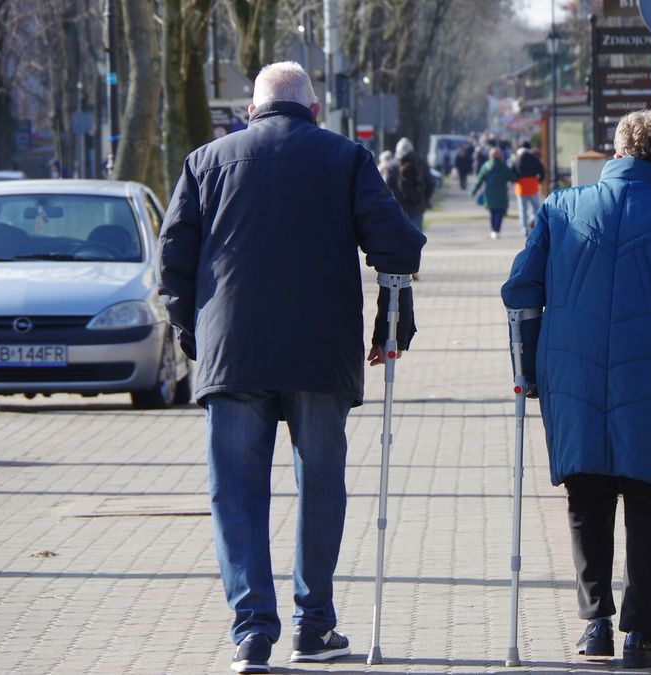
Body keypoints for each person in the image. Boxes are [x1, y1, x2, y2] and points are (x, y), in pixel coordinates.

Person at [157, 61, 426, 675]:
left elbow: (174, 256)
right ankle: (314, 624)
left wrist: (187, 329)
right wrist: (393, 325)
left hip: (233, 352)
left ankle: (252, 632)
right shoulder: (346, 159)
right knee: (321, 485)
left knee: (237, 492)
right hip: (319, 354)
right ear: (312, 107)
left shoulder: (205, 162)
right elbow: (399, 247)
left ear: (252, 110)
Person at [500, 108, 651, 669]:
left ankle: (596, 628)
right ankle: (640, 634)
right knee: (650, 497)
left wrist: (530, 369)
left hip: (573, 375)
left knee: (586, 494)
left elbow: (521, 289)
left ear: (616, 152)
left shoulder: (560, 208)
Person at [388, 138, 434, 232]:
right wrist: (425, 198)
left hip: (399, 208)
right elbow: (431, 183)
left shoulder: (393, 166)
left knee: (400, 239)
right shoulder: (420, 163)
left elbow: (386, 188)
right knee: (417, 238)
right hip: (417, 206)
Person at [471, 147, 518, 239]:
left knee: (492, 212)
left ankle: (493, 230)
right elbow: (513, 178)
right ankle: (497, 230)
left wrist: (474, 190)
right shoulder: (504, 166)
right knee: (499, 212)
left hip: (489, 192)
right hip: (501, 193)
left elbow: (479, 179)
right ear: (501, 156)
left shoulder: (486, 166)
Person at [510, 141, 546, 236]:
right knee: (536, 207)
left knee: (523, 209)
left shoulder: (516, 159)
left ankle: (524, 229)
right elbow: (542, 171)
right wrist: (539, 181)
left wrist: (515, 180)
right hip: (533, 185)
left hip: (521, 186)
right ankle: (533, 220)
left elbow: (512, 173)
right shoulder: (534, 158)